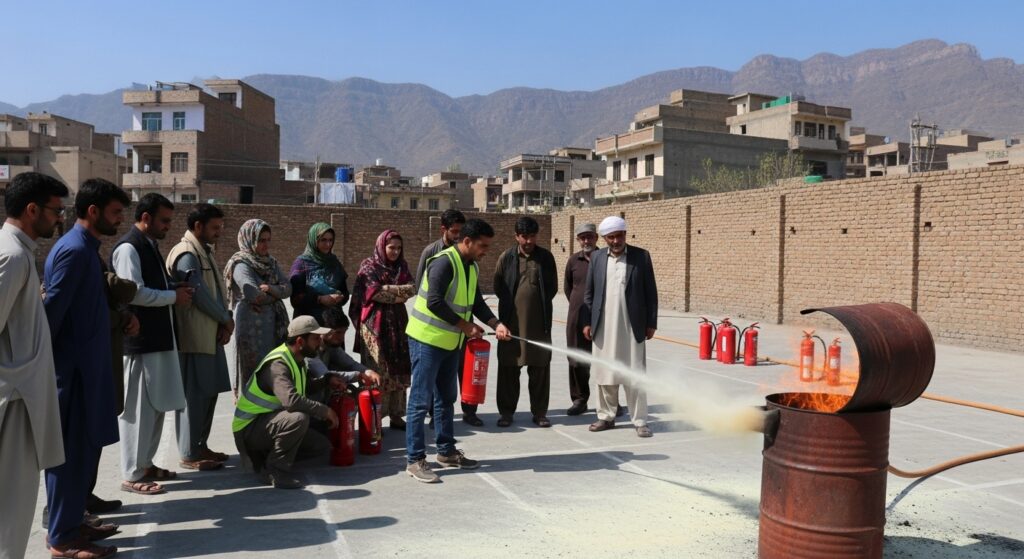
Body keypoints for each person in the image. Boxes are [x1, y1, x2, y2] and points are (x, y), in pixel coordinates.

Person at [404, 218, 511, 483]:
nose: (485, 251)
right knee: (420, 402)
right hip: (426, 340)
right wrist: (465, 326)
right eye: (482, 245)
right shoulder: (444, 262)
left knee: (446, 399)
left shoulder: (471, 267)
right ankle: (415, 459)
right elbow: (434, 302)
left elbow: (476, 303)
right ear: (466, 241)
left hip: (450, 342)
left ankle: (446, 451)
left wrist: (496, 324)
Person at [0, 173, 66, 559]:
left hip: (21, 396)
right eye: (56, 211)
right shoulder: (11, 255)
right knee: (12, 509)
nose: (59, 219)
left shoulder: (19, 252)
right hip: (15, 402)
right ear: (32, 210)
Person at [232, 316, 378, 489]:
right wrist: (324, 411)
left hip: (267, 422)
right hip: (249, 429)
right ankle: (275, 471)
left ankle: (266, 457)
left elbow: (305, 386)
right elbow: (291, 401)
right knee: (298, 419)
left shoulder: (297, 358)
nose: (320, 341)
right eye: (315, 338)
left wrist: (327, 380)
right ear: (300, 341)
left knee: (321, 446)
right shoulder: (278, 365)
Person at [112, 193, 192, 495]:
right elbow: (133, 293)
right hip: (139, 343)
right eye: (164, 220)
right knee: (138, 409)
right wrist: (173, 297)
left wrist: (174, 288)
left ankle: (145, 463)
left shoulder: (150, 246)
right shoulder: (128, 249)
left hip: (159, 339)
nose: (168, 227)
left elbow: (153, 287)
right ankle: (132, 472)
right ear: (145, 218)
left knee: (157, 406)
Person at [165, 203, 234, 471]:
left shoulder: (202, 251)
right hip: (194, 336)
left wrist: (222, 320)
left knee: (208, 392)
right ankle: (189, 452)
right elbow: (198, 294)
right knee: (194, 394)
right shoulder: (187, 254)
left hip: (209, 334)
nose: (219, 232)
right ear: (198, 227)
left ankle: (200, 445)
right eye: (214, 227)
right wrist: (225, 318)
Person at [583, 216, 658, 438]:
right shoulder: (596, 258)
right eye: (611, 237)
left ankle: (640, 420)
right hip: (603, 326)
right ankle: (605, 417)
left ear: (626, 234)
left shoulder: (641, 256)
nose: (616, 241)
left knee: (634, 374)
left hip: (632, 325)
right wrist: (587, 322)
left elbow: (651, 292)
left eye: (620, 236)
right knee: (604, 373)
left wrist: (651, 322)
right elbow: (589, 294)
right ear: (604, 238)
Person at [416, 210, 481, 425]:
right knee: (436, 383)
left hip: (461, 330)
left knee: (465, 370)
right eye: (454, 231)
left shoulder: (470, 262)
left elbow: (474, 296)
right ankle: (436, 417)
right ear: (443, 229)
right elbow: (426, 294)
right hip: (438, 331)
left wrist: (492, 322)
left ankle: (469, 412)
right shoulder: (435, 254)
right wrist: (460, 322)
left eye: (461, 231)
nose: (458, 235)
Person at [493, 217, 557, 428]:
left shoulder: (545, 258)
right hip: (512, 324)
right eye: (524, 236)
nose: (529, 241)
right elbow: (498, 287)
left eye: (532, 236)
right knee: (508, 370)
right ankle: (506, 413)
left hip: (539, 325)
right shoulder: (507, 257)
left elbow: (552, 288)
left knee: (540, 370)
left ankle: (540, 413)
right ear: (516, 236)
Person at [350, 229, 416, 430]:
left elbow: (411, 289)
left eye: (398, 248)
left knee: (398, 369)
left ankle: (396, 416)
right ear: (381, 246)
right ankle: (373, 417)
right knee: (377, 371)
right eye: (391, 247)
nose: (395, 251)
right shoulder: (368, 266)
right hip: (374, 327)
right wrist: (396, 291)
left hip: (398, 324)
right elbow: (374, 294)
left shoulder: (401, 266)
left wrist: (386, 288)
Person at [224, 219, 292, 393]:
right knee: (253, 374)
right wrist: (276, 295)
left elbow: (289, 288)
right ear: (249, 239)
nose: (265, 245)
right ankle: (251, 416)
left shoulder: (271, 262)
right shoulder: (240, 264)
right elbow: (254, 295)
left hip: (273, 326)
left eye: (268, 240)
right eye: (261, 240)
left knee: (274, 371)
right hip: (251, 329)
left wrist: (270, 289)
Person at [307, 307, 381, 408]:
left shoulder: (331, 345)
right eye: (337, 333)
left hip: (321, 398)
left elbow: (350, 363)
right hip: (307, 401)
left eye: (344, 332)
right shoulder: (308, 350)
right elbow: (326, 375)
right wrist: (358, 375)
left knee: (353, 392)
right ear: (323, 331)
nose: (342, 338)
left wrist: (368, 371)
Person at [563, 222, 597, 416]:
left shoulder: (604, 258)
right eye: (583, 237)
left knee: (605, 361)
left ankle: (610, 402)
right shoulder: (573, 261)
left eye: (589, 236)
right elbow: (568, 288)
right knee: (576, 360)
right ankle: (579, 399)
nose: (586, 240)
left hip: (602, 318)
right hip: (576, 318)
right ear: (578, 240)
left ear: (596, 237)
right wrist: (578, 306)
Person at [289, 222, 348, 324]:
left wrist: (340, 297)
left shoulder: (335, 263)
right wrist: (319, 299)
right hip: (309, 325)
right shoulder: (301, 263)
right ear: (314, 240)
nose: (328, 244)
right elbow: (295, 299)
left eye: (330, 240)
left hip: (332, 325)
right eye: (323, 240)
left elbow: (345, 292)